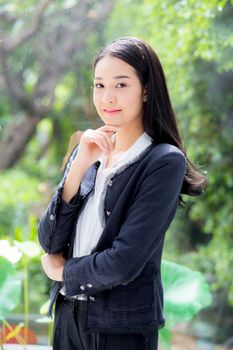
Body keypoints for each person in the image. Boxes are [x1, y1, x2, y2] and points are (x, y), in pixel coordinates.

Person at [38, 36, 207, 350]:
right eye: (99, 85)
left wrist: (62, 270)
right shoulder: (88, 150)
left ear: (145, 89)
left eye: (120, 85)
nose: (107, 97)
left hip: (120, 329)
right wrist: (77, 168)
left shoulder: (163, 161)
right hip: (67, 317)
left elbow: (123, 261)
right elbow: (50, 241)